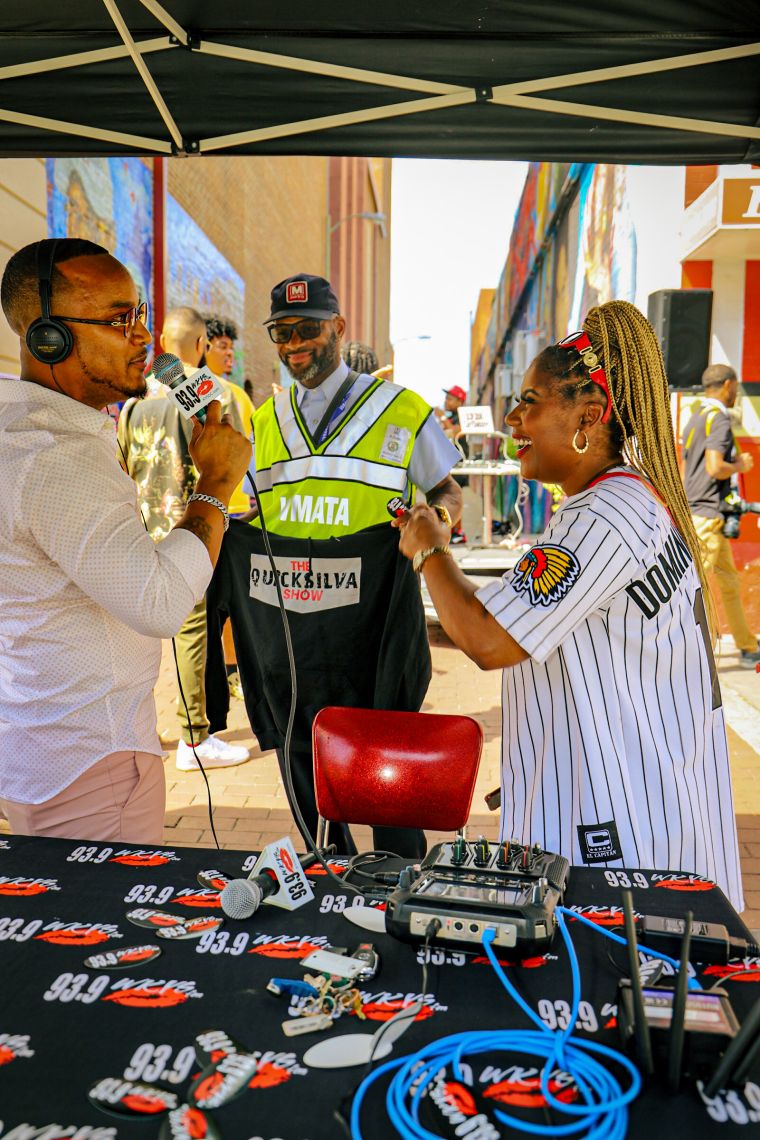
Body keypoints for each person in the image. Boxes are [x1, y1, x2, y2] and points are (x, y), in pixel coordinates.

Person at [396, 300, 743, 910]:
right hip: (651, 806)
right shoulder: (626, 502)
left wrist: (430, 550)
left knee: (599, 967)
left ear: (589, 415)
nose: (512, 419)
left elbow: (489, 639)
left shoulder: (601, 518)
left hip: (620, 833)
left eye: (529, 401)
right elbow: (515, 619)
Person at [0, 238, 251, 843]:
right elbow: (160, 604)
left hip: (39, 738)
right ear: (48, 338)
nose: (142, 336)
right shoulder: (56, 458)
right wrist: (217, 483)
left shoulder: (21, 431)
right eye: (118, 320)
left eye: (139, 313)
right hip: (91, 759)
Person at [205, 272, 463, 858]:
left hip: (374, 631)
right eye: (282, 333)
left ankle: (401, 884)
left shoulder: (402, 411)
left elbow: (447, 491)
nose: (295, 344)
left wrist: (436, 523)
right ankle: (333, 878)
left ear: (339, 327)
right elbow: (255, 511)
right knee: (304, 772)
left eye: (308, 329)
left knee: (389, 781)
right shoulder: (263, 423)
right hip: (290, 632)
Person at [117, 306, 250, 772]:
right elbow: (232, 455)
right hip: (194, 528)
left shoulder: (134, 399)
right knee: (192, 633)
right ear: (200, 345)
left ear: (162, 344)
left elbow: (122, 464)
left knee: (139, 633)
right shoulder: (206, 392)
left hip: (140, 531)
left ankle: (141, 729)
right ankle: (194, 737)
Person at [682, 363, 760, 669]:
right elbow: (715, 467)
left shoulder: (696, 417)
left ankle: (747, 646)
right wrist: (740, 465)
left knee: (728, 582)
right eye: (735, 387)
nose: (736, 393)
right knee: (693, 587)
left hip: (699, 512)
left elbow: (690, 468)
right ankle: (683, 652)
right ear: (728, 385)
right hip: (708, 514)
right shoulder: (720, 419)